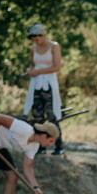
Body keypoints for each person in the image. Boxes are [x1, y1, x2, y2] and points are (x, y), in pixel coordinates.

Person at [22, 23, 64, 155]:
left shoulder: (54, 46)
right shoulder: (33, 49)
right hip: (36, 84)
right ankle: (41, 146)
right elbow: (33, 65)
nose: (35, 41)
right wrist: (30, 71)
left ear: (43, 35)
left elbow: (57, 67)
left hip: (49, 84)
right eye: (33, 40)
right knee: (37, 116)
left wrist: (39, 71)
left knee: (52, 116)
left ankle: (59, 145)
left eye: (37, 39)